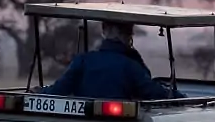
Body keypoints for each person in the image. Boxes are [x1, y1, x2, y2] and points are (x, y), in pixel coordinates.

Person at [35, 21, 180, 101]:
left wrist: (39, 92)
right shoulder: (130, 65)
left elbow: (59, 89)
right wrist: (177, 96)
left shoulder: (83, 61)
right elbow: (152, 91)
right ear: (130, 34)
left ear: (104, 31)